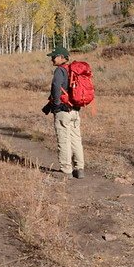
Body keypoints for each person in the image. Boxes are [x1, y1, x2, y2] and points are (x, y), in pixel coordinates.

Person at [43, 46, 85, 178]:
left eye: (54, 57)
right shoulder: (73, 71)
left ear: (62, 57)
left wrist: (56, 104)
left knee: (64, 140)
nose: (51, 59)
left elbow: (56, 86)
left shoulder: (60, 71)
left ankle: (66, 170)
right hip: (75, 111)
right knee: (76, 140)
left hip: (63, 111)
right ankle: (79, 169)